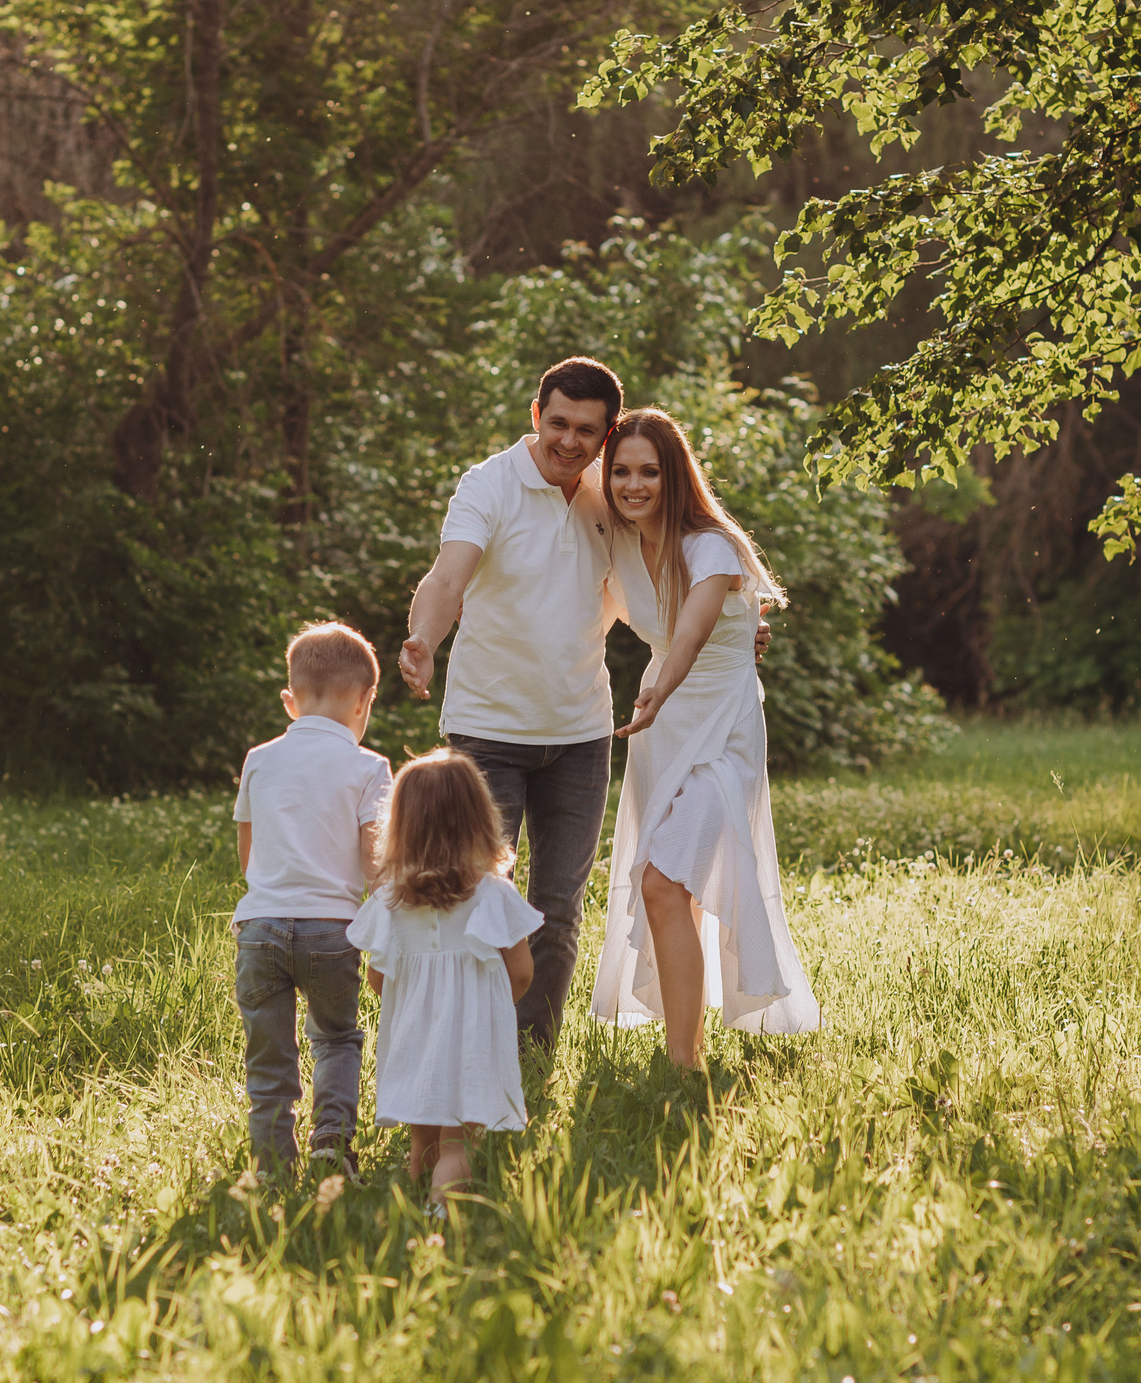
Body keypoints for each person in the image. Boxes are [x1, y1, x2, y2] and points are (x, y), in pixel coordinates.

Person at [397, 357, 624, 1060]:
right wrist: (424, 638)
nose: (569, 441)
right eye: (557, 423)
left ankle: (530, 1054)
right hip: (488, 730)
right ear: (536, 415)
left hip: (582, 733)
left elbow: (676, 573)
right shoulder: (488, 483)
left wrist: (738, 627)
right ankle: (469, 1046)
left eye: (586, 430)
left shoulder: (615, 491)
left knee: (557, 910)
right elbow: (448, 574)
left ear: (607, 433)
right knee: (473, 897)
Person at [589, 408, 823, 1072]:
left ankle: (684, 1066)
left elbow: (689, 634)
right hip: (663, 732)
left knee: (664, 883)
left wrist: (659, 692)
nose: (634, 484)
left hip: (720, 732)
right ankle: (682, 1057)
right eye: (622, 470)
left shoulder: (710, 545)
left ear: (675, 475)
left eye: (649, 471)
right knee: (671, 888)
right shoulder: (621, 543)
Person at [231, 621, 392, 1176]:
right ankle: (332, 1139)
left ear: (289, 700)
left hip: (260, 930)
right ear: (364, 702)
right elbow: (376, 864)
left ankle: (273, 1167)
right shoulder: (371, 768)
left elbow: (248, 857)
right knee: (337, 1038)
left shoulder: (259, 759)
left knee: (269, 1059)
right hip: (332, 932)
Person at [347, 748, 542, 1206]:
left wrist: (415, 995)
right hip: (473, 1040)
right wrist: (492, 999)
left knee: (424, 1139)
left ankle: (411, 1210)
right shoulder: (494, 896)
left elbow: (377, 980)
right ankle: (440, 1216)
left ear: (401, 829)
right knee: (460, 1142)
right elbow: (522, 972)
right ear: (479, 821)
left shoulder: (390, 902)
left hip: (412, 1036)